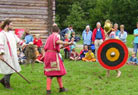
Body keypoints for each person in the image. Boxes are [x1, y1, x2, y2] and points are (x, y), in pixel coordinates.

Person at [44, 26, 72, 95]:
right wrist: (67, 43)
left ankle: (49, 91)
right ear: (58, 30)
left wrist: (64, 46)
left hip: (48, 55)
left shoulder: (49, 37)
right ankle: (60, 88)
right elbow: (57, 41)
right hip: (53, 56)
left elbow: (56, 45)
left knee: (51, 72)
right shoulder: (56, 36)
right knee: (56, 72)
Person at [0, 19, 23, 89]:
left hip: (13, 54)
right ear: (7, 25)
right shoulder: (1, 34)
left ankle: (3, 80)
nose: (12, 26)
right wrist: (1, 54)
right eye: (11, 25)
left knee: (13, 68)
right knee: (8, 69)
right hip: (6, 55)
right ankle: (7, 85)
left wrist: (24, 44)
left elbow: (18, 40)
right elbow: (0, 44)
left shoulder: (11, 33)